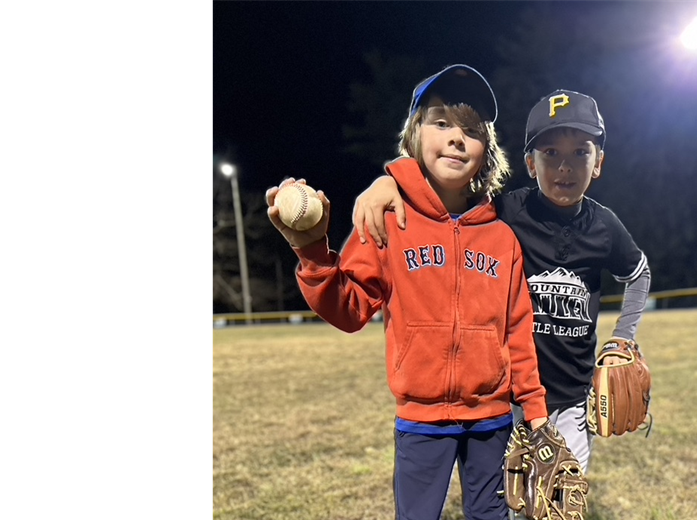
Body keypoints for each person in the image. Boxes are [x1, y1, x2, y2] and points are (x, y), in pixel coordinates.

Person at [266, 64, 551, 520]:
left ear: (487, 151)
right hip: (421, 419)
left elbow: (518, 329)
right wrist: (313, 252)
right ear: (414, 135)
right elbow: (350, 308)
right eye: (441, 122)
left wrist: (534, 410)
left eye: (472, 130)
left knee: (492, 516)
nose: (457, 137)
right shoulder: (389, 218)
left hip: (492, 416)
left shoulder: (501, 237)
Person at [351, 89, 652, 475]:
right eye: (550, 153)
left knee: (562, 499)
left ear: (599, 163)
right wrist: (391, 183)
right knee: (509, 499)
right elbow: (446, 207)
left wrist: (623, 336)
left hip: (573, 397)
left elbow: (638, 273)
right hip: (509, 394)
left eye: (581, 152)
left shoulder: (604, 226)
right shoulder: (508, 212)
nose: (565, 167)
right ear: (529, 162)